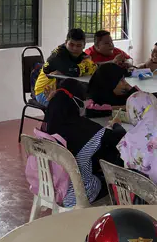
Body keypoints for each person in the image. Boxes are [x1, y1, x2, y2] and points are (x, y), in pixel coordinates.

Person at [42, 79, 125, 207]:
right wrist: (116, 125)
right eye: (82, 100)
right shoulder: (84, 129)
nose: (84, 104)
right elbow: (117, 137)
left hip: (50, 190)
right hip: (77, 196)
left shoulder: (47, 126)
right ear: (75, 102)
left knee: (93, 154)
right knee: (115, 154)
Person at [33, 28, 97, 106]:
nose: (75, 49)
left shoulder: (83, 56)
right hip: (44, 92)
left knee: (90, 102)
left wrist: (66, 71)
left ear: (84, 45)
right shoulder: (57, 55)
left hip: (65, 91)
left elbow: (93, 69)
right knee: (70, 107)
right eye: (71, 44)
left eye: (79, 45)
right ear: (66, 42)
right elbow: (75, 72)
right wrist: (83, 66)